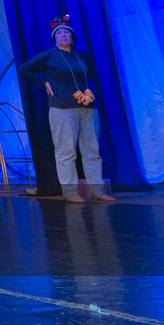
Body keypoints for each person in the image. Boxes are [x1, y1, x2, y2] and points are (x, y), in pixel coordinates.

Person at [18, 15, 115, 204]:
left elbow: (91, 72)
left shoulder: (81, 56)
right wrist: (44, 83)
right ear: (55, 38)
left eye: (66, 32)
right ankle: (70, 192)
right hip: (62, 109)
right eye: (59, 33)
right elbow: (24, 69)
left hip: (87, 108)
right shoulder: (49, 56)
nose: (63, 35)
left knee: (92, 151)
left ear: (72, 36)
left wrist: (83, 88)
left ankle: (97, 191)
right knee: (66, 152)